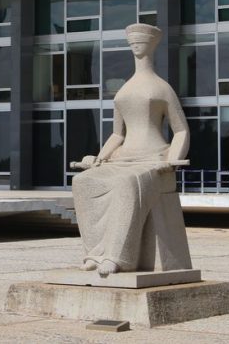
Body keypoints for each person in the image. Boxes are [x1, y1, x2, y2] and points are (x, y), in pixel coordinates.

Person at [70, 23, 189, 276]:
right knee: (83, 182)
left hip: (153, 159)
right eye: (132, 42)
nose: (136, 45)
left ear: (152, 45)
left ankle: (116, 257)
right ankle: (95, 253)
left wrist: (172, 160)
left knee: (126, 184)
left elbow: (181, 130)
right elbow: (117, 134)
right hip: (123, 157)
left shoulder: (162, 88)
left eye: (141, 42)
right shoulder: (124, 89)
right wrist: (100, 158)